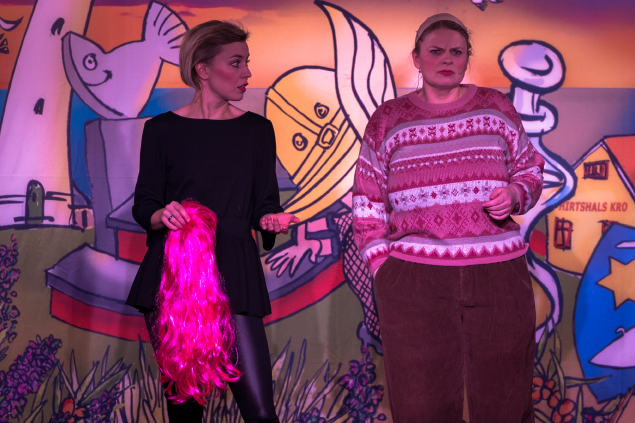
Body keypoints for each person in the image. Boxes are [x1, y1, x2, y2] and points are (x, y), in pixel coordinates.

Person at [352, 13, 544, 423]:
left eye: (457, 52)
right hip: (414, 280)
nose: (447, 59)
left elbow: (529, 171)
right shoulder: (388, 119)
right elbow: (367, 201)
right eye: (436, 51)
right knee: (420, 403)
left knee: (506, 399)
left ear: (467, 57)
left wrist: (515, 194)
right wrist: (384, 268)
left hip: (498, 273)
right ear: (416, 59)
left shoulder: (495, 107)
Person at [126, 20, 298, 423]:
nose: (247, 73)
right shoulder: (161, 130)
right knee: (185, 412)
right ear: (202, 69)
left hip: (234, 270)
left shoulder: (257, 131)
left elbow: (263, 205)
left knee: (260, 411)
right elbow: (144, 203)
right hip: (174, 277)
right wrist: (161, 214)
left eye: (247, 62)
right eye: (235, 63)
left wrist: (269, 219)